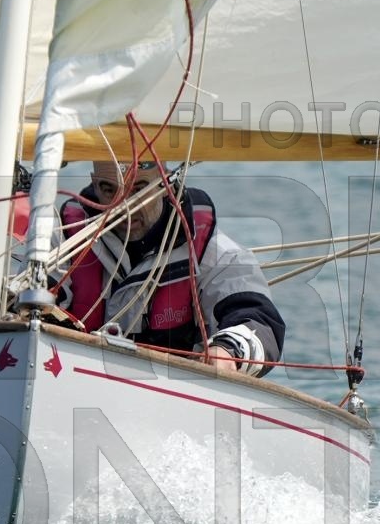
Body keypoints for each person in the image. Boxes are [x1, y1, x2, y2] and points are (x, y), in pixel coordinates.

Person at [54, 154, 284, 376]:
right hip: (73, 379)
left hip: (171, 392)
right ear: (95, 184)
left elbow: (260, 321)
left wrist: (228, 351)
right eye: (109, 190)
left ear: (164, 182)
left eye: (139, 189)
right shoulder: (64, 241)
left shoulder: (209, 249)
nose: (125, 206)